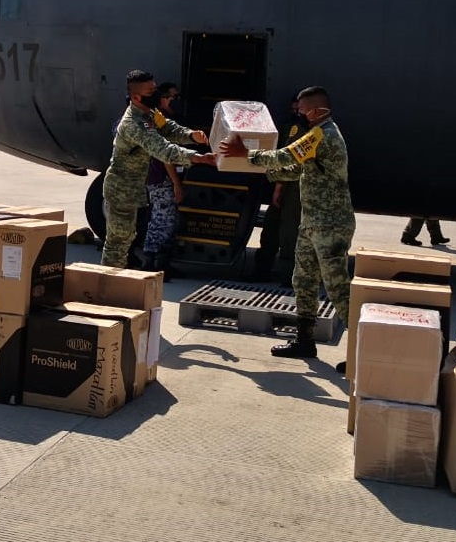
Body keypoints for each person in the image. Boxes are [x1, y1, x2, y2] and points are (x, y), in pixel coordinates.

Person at [219, 86, 354, 361]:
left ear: (316, 110)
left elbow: (286, 156)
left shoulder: (321, 135)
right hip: (312, 222)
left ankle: (363, 352)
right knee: (303, 280)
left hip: (329, 224)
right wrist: (239, 163)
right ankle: (305, 340)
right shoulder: (319, 134)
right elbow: (294, 170)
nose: (299, 113)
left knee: (337, 286)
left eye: (302, 109)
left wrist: (247, 154)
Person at [100, 69, 217, 269]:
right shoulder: (134, 124)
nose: (156, 94)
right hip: (121, 189)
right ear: (136, 96)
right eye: (151, 91)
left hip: (135, 187)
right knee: (118, 242)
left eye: (155, 88)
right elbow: (163, 149)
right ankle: (106, 286)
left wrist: (191, 135)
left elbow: (168, 128)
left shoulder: (150, 113)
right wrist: (199, 158)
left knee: (127, 237)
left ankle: (113, 283)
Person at [253, 94, 308, 283]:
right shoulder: (292, 126)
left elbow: (288, 159)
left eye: (298, 109)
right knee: (273, 229)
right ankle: (265, 269)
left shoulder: (301, 129)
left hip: (293, 186)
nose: (296, 112)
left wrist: (278, 187)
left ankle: (286, 274)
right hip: (287, 182)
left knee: (289, 232)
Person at [142, 81, 184, 278]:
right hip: (161, 177)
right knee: (161, 220)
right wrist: (176, 183)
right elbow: (166, 156)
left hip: (159, 176)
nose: (174, 101)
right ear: (162, 99)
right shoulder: (160, 121)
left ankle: (160, 262)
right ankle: (152, 263)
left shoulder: (163, 119)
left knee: (164, 219)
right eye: (172, 97)